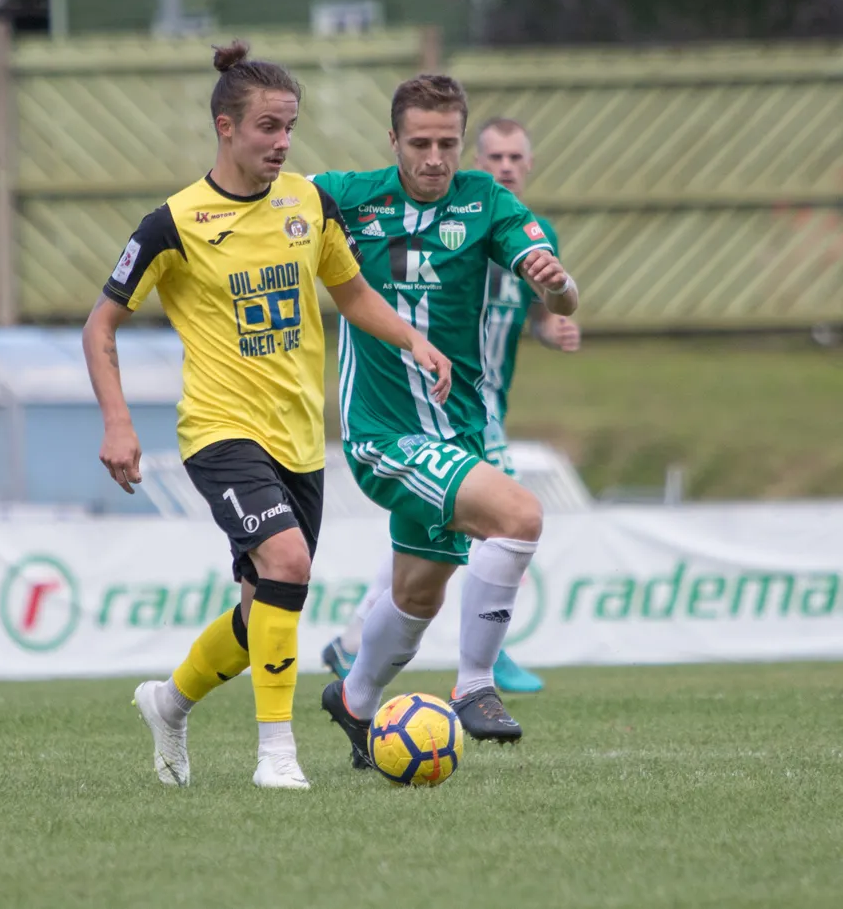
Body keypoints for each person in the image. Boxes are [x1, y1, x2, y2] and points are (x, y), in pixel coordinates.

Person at [81, 40, 451, 790]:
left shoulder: (308, 203)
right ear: (226, 127)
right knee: (288, 563)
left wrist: (414, 337)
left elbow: (349, 293)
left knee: (263, 612)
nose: (283, 142)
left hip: (298, 438)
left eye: (290, 127)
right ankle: (276, 754)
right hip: (219, 431)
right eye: (268, 127)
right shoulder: (174, 224)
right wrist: (118, 423)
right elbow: (100, 325)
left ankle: (169, 700)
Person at [311, 76, 579, 766]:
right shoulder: (345, 195)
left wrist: (557, 285)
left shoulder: (486, 200)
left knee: (416, 594)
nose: (435, 157)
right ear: (393, 140)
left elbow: (561, 289)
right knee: (519, 515)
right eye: (421, 142)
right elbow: (265, 206)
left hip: (454, 432)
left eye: (448, 144)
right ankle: (475, 685)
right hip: (383, 432)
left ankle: (356, 698)